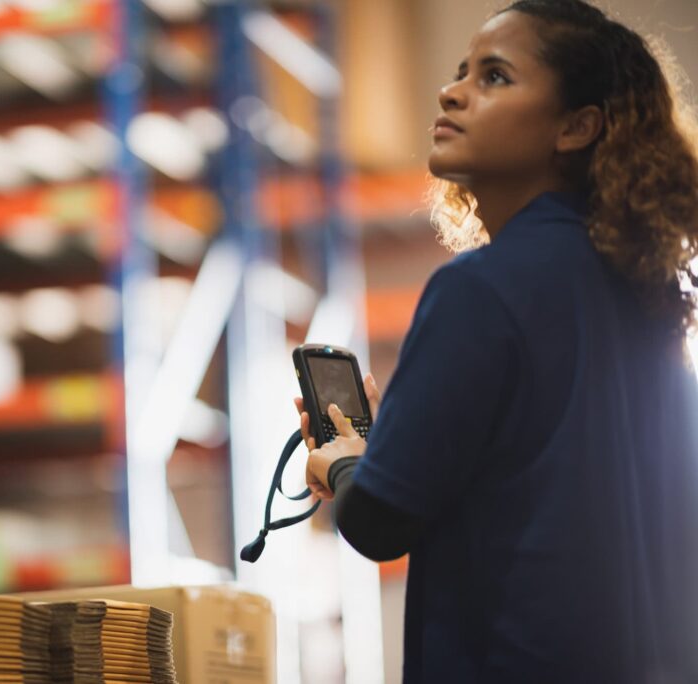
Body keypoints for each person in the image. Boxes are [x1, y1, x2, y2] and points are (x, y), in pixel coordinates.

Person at [297, 1, 698, 682]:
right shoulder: (649, 304)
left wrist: (343, 460)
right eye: (460, 72)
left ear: (576, 127)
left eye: (495, 77)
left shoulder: (479, 290)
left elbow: (378, 521)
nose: (453, 91)